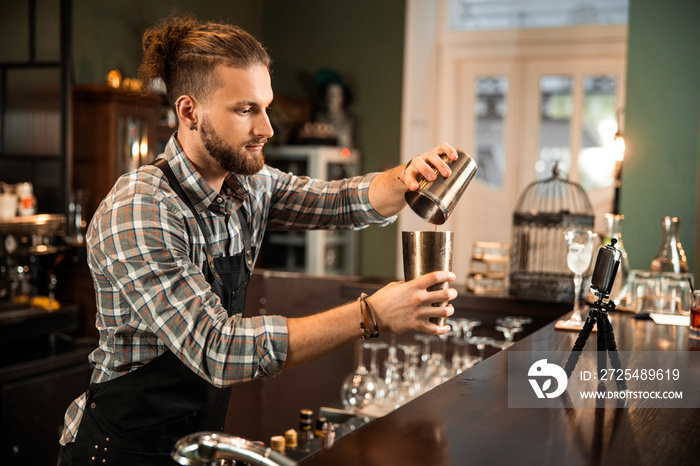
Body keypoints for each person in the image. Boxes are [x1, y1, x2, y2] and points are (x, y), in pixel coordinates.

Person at [58, 15, 459, 465]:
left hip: (192, 446)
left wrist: (406, 177)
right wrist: (371, 315)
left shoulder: (249, 185)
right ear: (189, 112)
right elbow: (217, 348)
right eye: (246, 110)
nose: (267, 129)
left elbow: (339, 200)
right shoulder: (139, 210)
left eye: (266, 107)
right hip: (118, 453)